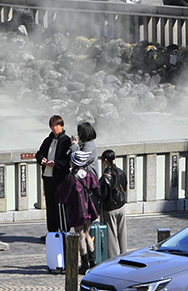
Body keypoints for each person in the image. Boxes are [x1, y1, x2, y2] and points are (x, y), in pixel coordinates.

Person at [60, 123, 100, 271]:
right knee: (87, 233)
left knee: (80, 234)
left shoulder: (73, 176)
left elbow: (64, 194)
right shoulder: (88, 175)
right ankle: (93, 262)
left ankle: (84, 264)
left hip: (79, 207)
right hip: (89, 204)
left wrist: (74, 146)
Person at [36, 116, 72, 233]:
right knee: (50, 205)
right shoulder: (48, 140)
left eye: (57, 125)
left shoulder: (66, 141)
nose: (54, 128)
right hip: (48, 177)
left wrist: (55, 163)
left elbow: (68, 161)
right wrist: (41, 159)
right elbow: (39, 153)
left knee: (61, 204)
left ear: (62, 126)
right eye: (52, 125)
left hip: (60, 178)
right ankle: (51, 232)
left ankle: (64, 230)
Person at [98, 149, 127, 258]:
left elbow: (102, 195)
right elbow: (125, 186)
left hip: (110, 209)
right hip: (121, 206)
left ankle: (114, 258)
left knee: (111, 236)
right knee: (122, 233)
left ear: (105, 160)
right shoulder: (121, 172)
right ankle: (124, 254)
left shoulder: (105, 177)